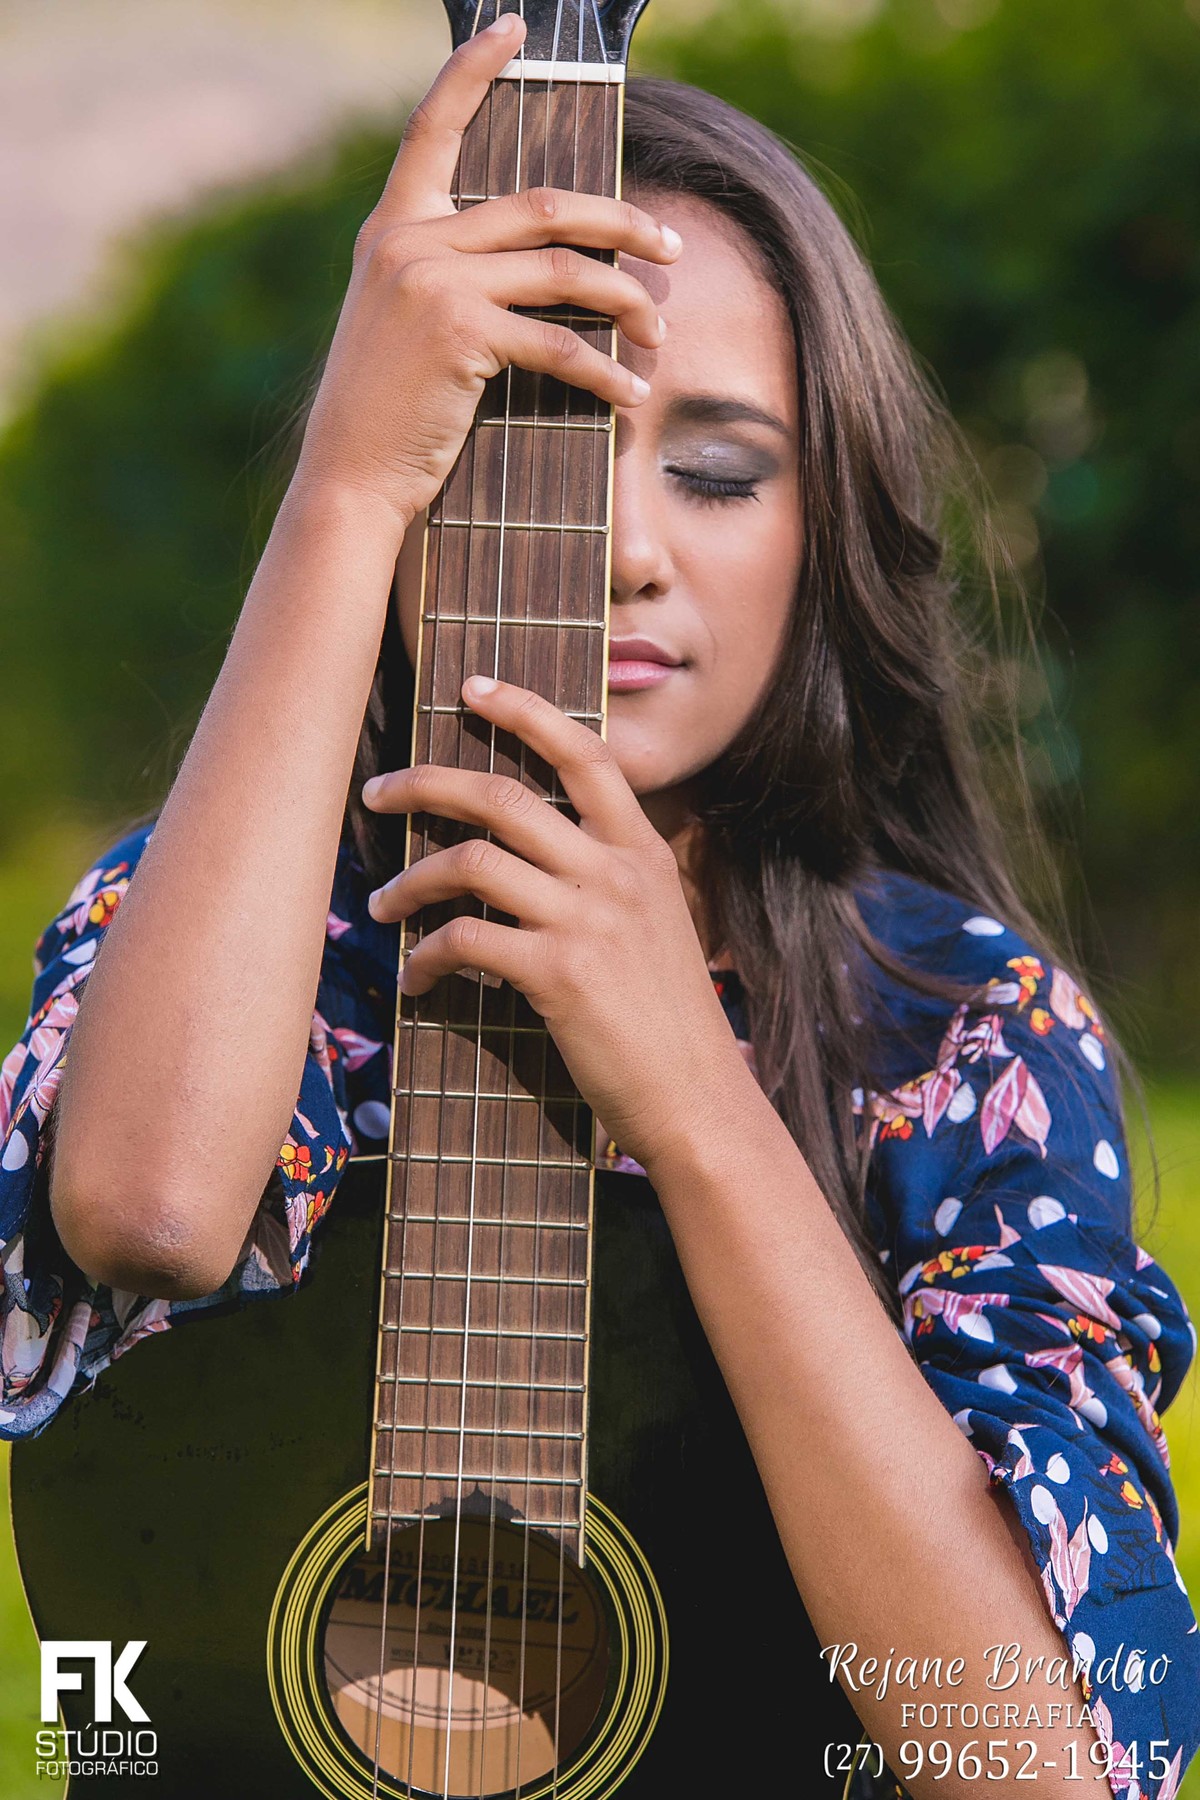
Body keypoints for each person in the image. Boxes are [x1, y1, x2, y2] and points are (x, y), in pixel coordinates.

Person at [1, 14, 1197, 1798]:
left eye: (718, 470)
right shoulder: (233, 931)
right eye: (511, 455)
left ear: (828, 522)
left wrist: (693, 1099)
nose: (620, 548)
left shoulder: (969, 1040)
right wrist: (347, 480)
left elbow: (1039, 1765)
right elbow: (152, 1210)